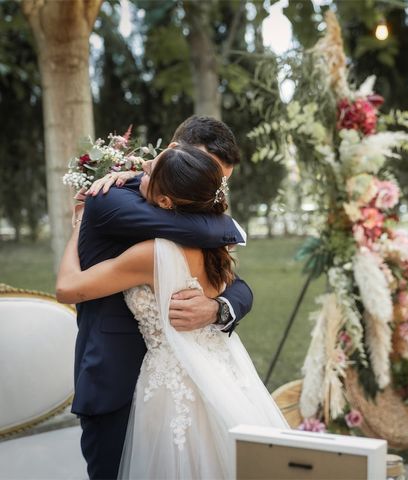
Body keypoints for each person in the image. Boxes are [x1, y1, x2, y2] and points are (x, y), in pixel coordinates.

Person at [57, 145, 289, 479]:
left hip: (167, 385)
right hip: (220, 373)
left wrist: (79, 222)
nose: (140, 173)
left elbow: (67, 287)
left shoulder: (152, 253)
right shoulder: (215, 247)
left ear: (166, 203)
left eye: (149, 173)